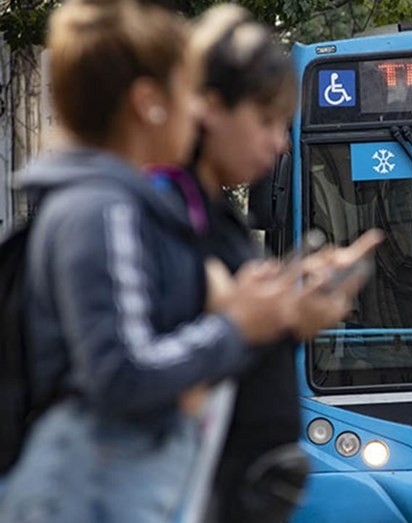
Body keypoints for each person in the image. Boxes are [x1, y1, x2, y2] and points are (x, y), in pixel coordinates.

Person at [0, 1, 351, 521]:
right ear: (149, 104)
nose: (199, 111)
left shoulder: (111, 202)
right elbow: (123, 372)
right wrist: (238, 325)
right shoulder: (105, 208)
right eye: (188, 93)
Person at [157, 5, 382, 522]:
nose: (279, 142)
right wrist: (267, 319)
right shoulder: (162, 215)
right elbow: (148, 373)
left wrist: (291, 313)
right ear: (211, 108)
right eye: (265, 122)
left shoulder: (215, 214)